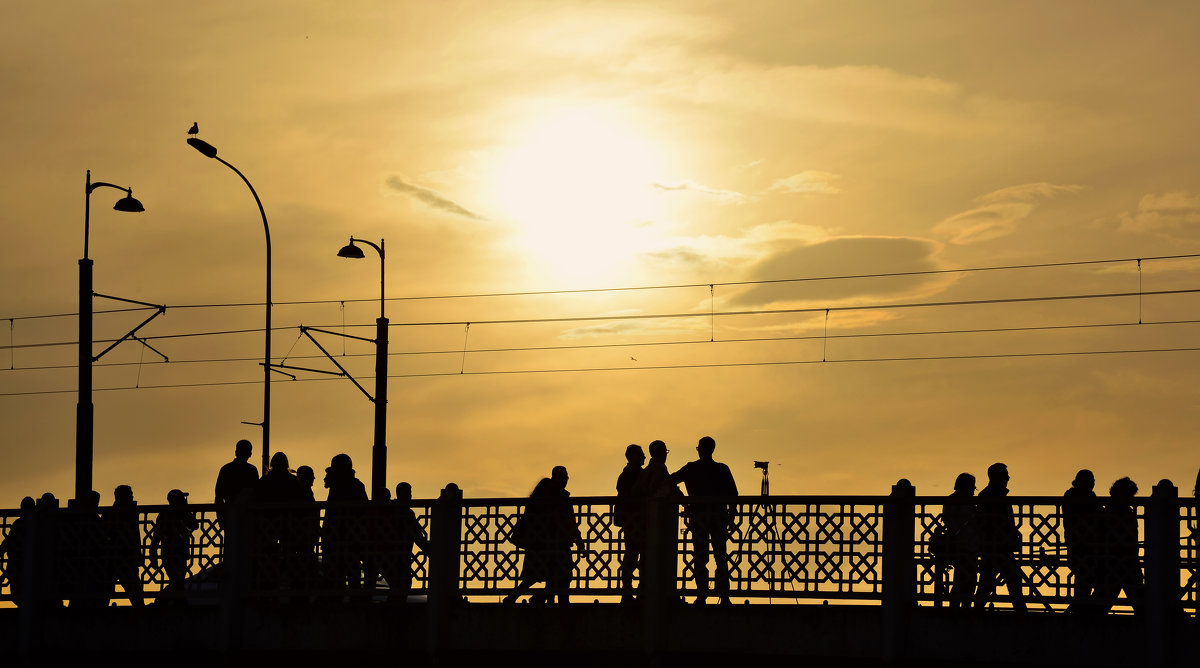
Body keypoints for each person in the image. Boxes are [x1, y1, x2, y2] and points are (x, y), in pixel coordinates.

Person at [669, 436, 738, 605]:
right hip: (719, 517)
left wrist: (681, 498)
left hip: (698, 518)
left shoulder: (691, 468)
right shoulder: (723, 469)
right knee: (721, 555)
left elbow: (670, 480)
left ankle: (701, 594)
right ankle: (724, 595)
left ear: (700, 449)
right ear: (713, 449)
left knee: (700, 555)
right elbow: (733, 495)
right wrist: (731, 516)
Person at [504, 466, 585, 605]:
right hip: (550, 543)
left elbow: (569, 521)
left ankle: (533, 598)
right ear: (554, 477)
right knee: (557, 576)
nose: (564, 481)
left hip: (547, 543)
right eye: (561, 477)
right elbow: (568, 521)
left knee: (545, 576)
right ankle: (553, 601)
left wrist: (578, 539)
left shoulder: (546, 495)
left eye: (565, 478)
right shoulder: (553, 496)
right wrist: (577, 539)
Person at [973, 463, 1027, 612]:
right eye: (1005, 474)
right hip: (996, 546)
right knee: (1011, 579)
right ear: (996, 477)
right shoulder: (989, 496)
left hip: (997, 546)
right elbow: (989, 522)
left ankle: (976, 611)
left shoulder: (991, 495)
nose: (1008, 477)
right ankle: (1021, 612)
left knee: (989, 582)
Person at [254, 451, 307, 588]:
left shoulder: (265, 480)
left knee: (268, 553)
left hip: (268, 523)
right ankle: (292, 583)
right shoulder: (293, 481)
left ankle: (268, 584)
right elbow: (301, 501)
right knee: (289, 553)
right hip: (290, 522)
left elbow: (256, 499)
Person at [1095, 477, 1145, 614]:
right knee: (1139, 601)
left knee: (1103, 601)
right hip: (1121, 562)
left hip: (1115, 563)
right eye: (1130, 495)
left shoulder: (1107, 511)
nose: (1131, 499)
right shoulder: (1120, 513)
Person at [323, 453, 369, 595]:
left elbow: (330, 513)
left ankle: (337, 596)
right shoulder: (357, 485)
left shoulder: (335, 486)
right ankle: (355, 596)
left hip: (337, 536)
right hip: (352, 536)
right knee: (352, 570)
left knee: (337, 572)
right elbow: (365, 510)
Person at [379, 482, 429, 604]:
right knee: (403, 584)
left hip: (390, 556)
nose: (410, 496)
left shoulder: (393, 510)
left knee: (399, 585)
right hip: (398, 556)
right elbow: (417, 535)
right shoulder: (406, 513)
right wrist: (429, 549)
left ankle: (392, 612)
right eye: (408, 493)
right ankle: (394, 613)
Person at [1062, 469, 1102, 615]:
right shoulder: (1073, 496)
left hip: (1085, 546)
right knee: (1084, 580)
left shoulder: (1081, 496)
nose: (1092, 483)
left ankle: (1079, 609)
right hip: (1080, 546)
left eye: (1093, 480)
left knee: (1085, 580)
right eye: (1090, 480)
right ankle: (1079, 611)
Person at [939, 472, 978, 609]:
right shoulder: (956, 501)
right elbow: (951, 522)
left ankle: (959, 607)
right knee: (966, 578)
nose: (974, 490)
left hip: (967, 546)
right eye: (972, 487)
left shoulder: (955, 501)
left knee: (965, 578)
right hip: (962, 546)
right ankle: (959, 608)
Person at [150, 489, 198, 597]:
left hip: (174, 551)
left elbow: (194, 525)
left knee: (177, 581)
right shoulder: (167, 514)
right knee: (177, 581)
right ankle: (168, 600)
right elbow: (157, 536)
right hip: (171, 551)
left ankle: (169, 599)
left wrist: (153, 555)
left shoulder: (170, 513)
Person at [614, 444, 645, 603]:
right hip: (636, 521)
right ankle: (631, 592)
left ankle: (630, 591)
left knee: (632, 555)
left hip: (632, 521)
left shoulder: (627, 474)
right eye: (641, 454)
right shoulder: (633, 474)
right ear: (633, 457)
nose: (644, 457)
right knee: (634, 556)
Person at [103, 485, 144, 606]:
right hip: (117, 555)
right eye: (129, 494)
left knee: (132, 588)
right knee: (129, 587)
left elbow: (135, 536)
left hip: (122, 556)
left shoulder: (128, 511)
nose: (132, 496)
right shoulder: (113, 513)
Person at [0, 496, 36, 607]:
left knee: (18, 593)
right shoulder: (38, 524)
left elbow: (8, 542)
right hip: (28, 566)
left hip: (18, 566)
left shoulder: (19, 524)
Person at [215, 439, 259, 525]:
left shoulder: (226, 469)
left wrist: (220, 517)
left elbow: (219, 496)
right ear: (250, 454)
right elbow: (257, 493)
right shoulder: (252, 470)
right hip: (248, 516)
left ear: (236, 452)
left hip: (231, 514)